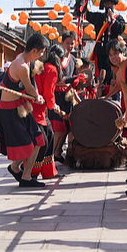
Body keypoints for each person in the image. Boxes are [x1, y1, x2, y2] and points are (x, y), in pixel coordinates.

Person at [0, 33, 49, 188]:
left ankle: (19, 170)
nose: (41, 56)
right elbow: (30, 88)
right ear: (34, 51)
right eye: (41, 52)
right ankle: (23, 175)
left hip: (20, 106)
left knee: (39, 140)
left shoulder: (23, 59)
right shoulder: (21, 66)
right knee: (31, 143)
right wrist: (38, 97)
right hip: (11, 110)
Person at [31, 44, 64, 179]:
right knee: (43, 140)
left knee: (49, 136)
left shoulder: (43, 67)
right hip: (38, 110)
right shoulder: (51, 69)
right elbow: (48, 94)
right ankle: (31, 171)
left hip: (36, 107)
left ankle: (48, 171)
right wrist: (53, 105)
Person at [83, 0, 125, 90]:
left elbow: (121, 29)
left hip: (113, 52)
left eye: (111, 4)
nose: (109, 6)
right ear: (104, 5)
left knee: (112, 73)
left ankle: (110, 91)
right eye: (107, 4)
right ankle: (100, 89)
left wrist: (112, 20)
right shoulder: (99, 17)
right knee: (101, 74)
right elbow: (85, 14)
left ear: (114, 6)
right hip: (101, 51)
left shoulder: (118, 18)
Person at [51, 32, 76, 163]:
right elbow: (57, 80)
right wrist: (73, 79)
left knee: (66, 127)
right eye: (68, 43)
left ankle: (57, 152)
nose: (70, 46)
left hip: (68, 95)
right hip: (57, 95)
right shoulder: (57, 59)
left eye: (72, 43)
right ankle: (50, 155)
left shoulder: (73, 59)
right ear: (62, 43)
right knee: (58, 128)